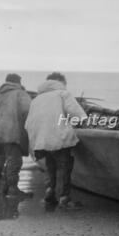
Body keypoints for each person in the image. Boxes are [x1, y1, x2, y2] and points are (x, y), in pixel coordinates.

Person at [25, 72, 87, 211]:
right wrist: (77, 124)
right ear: (61, 83)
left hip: (41, 140)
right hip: (59, 137)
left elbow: (28, 123)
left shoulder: (37, 99)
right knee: (64, 168)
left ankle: (49, 191)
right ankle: (64, 198)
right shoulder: (63, 94)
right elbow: (78, 115)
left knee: (50, 166)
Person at [0, 73, 32, 197]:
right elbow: (28, 110)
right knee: (15, 161)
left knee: (7, 159)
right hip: (12, 132)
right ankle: (13, 189)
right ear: (18, 82)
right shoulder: (20, 93)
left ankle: (5, 188)